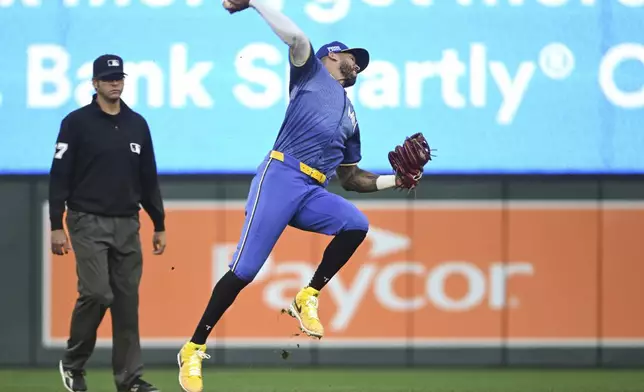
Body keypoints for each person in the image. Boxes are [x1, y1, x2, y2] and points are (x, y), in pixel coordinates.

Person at [176, 1, 413, 391]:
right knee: (245, 271)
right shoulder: (310, 73)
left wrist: (394, 181)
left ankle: (308, 294)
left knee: (356, 224)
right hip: (281, 175)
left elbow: (351, 178)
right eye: (354, 58)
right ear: (332, 55)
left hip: (312, 189)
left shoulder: (351, 117)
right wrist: (254, 2)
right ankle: (193, 347)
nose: (358, 65)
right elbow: (298, 37)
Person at [49, 53, 166, 392]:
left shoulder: (137, 124)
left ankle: (128, 380)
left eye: (119, 78)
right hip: (87, 220)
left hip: (128, 223)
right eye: (108, 78)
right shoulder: (76, 122)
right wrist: (57, 223)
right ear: (94, 83)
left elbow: (148, 178)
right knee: (98, 293)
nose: (115, 83)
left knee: (127, 304)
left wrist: (158, 222)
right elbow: (60, 176)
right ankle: (73, 363)